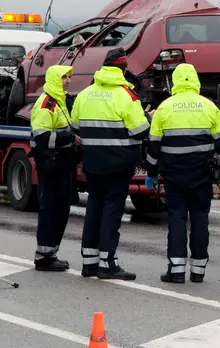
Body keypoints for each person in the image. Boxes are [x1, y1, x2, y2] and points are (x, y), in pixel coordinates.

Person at [142, 63, 220, 283]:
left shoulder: (164, 107)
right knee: (200, 218)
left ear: (175, 81)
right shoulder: (210, 107)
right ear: (196, 80)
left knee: (177, 218)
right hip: (201, 173)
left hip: (174, 174)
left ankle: (177, 270)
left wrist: (151, 171)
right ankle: (198, 271)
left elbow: (153, 146)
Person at [70, 47, 152, 280]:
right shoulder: (127, 95)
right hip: (119, 164)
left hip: (93, 162)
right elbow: (141, 131)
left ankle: (89, 263)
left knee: (94, 206)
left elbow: (75, 128)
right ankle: (107, 263)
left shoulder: (85, 94)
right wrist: (147, 116)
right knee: (112, 210)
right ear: (123, 69)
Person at [30, 65, 80, 271]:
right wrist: (70, 138)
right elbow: (41, 138)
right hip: (52, 164)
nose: (68, 80)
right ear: (53, 79)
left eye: (69, 77)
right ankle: (44, 256)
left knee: (60, 208)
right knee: (51, 209)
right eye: (63, 77)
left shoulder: (60, 102)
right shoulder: (46, 104)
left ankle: (50, 253)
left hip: (61, 164)